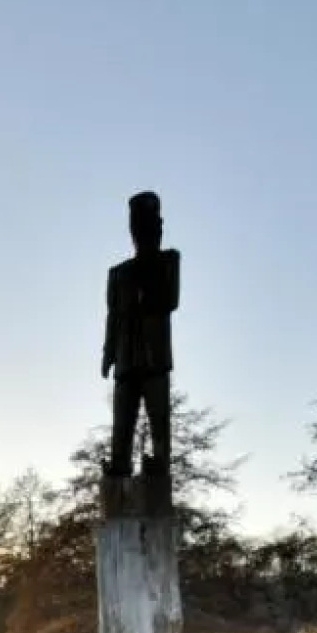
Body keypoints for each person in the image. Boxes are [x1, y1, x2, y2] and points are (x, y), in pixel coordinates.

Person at [101, 191, 180, 479]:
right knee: (122, 421)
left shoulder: (168, 261)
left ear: (158, 227)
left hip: (155, 358)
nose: (142, 231)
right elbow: (112, 315)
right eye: (137, 225)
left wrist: (145, 281)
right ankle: (119, 466)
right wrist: (108, 353)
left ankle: (160, 464)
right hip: (125, 358)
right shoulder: (118, 273)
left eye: (148, 224)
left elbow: (169, 300)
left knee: (159, 419)